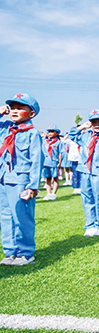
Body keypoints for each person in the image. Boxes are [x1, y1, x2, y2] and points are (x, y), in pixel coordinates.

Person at [0, 93, 43, 266]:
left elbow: (37, 160)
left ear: (31, 113)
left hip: (21, 181)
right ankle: (10, 252)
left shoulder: (32, 133)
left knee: (22, 217)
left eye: (20, 108)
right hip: (4, 178)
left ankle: (25, 253)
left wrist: (33, 186)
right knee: (5, 216)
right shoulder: (5, 129)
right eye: (13, 108)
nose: (15, 111)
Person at [69, 110, 99, 237]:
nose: (96, 124)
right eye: (93, 122)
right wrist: (82, 127)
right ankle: (90, 224)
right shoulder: (86, 136)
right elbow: (71, 135)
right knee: (87, 198)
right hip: (85, 171)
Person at [41, 125, 64, 201]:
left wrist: (59, 163)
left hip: (54, 161)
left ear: (56, 133)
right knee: (47, 179)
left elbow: (60, 153)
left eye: (52, 131)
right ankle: (48, 193)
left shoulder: (58, 143)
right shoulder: (45, 141)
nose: (50, 133)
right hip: (45, 162)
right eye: (49, 131)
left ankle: (54, 193)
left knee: (55, 178)